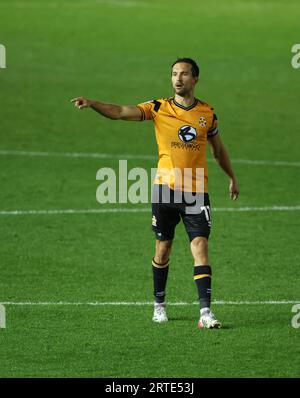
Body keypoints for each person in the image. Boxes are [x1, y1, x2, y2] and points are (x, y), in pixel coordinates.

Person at [71, 57, 239, 329]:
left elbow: (218, 151)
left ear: (195, 79)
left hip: (196, 189)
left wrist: (232, 177)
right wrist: (93, 104)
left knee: (200, 246)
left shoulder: (207, 113)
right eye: (174, 74)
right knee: (163, 249)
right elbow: (121, 111)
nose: (178, 79)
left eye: (184, 74)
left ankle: (205, 313)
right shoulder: (159, 107)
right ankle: (159, 304)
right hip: (165, 190)